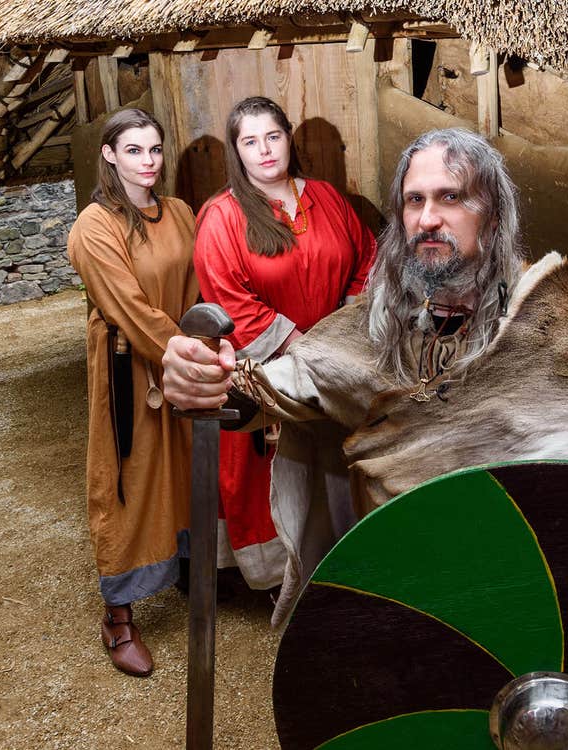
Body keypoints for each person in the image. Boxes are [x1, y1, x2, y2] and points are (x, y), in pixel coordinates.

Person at [163, 128, 568, 625]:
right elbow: (281, 385)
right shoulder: (381, 321)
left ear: (492, 213)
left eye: (450, 197)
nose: (428, 219)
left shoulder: (541, 325)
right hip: (399, 583)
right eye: (414, 201)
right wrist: (204, 380)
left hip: (513, 584)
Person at [193, 96, 376, 591]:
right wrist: (303, 347)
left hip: (339, 357)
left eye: (273, 136)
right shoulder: (222, 216)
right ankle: (279, 579)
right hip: (273, 367)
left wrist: (344, 329)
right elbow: (229, 296)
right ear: (237, 151)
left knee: (340, 469)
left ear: (288, 137)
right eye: (250, 141)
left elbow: (366, 260)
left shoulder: (327, 197)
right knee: (274, 475)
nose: (265, 150)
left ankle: (344, 565)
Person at [66, 108, 199, 677]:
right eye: (135, 150)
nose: (149, 161)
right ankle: (117, 615)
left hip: (181, 358)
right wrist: (189, 354)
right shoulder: (94, 226)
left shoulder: (180, 212)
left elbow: (197, 286)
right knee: (128, 482)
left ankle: (191, 569)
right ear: (110, 154)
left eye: (156, 149)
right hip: (130, 367)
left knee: (189, 466)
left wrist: (202, 341)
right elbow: (127, 307)